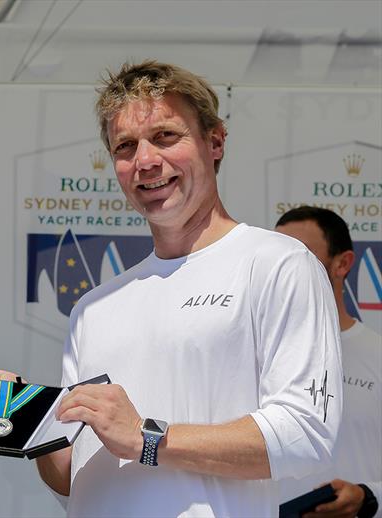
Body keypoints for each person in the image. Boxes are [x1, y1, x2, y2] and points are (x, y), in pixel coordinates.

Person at [30, 60, 343, 517]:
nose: (145, 161)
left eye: (164, 137)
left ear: (214, 142)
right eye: (125, 146)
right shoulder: (94, 307)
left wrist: (147, 438)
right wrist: (27, 419)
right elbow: (71, 480)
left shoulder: (277, 264)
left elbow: (306, 434)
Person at [276, 206, 380, 518]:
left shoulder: (377, 355)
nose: (284, 266)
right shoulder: (243, 356)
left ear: (343, 263)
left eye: (300, 253)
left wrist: (367, 496)